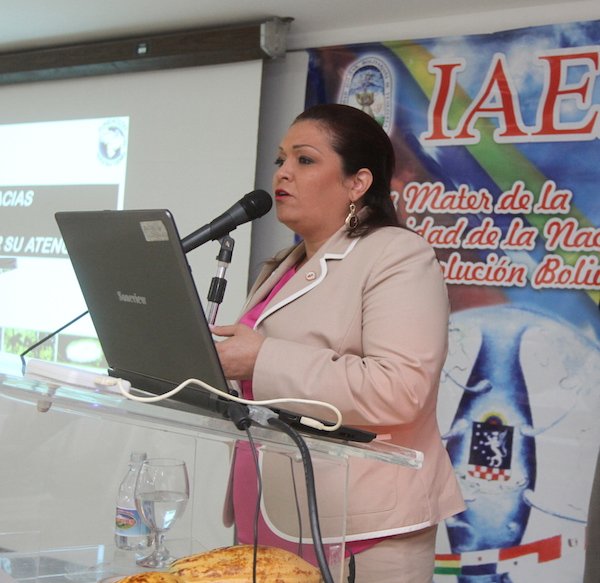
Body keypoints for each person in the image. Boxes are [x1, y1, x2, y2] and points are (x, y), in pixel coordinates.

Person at [211, 103, 465, 582]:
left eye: (304, 159)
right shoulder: (283, 265)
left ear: (358, 182)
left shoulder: (397, 255)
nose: (283, 172)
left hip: (359, 528)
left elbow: (400, 389)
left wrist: (261, 358)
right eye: (280, 159)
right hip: (268, 509)